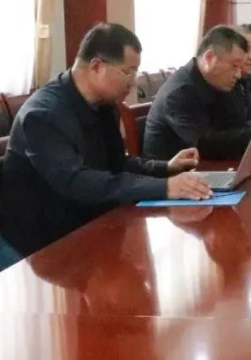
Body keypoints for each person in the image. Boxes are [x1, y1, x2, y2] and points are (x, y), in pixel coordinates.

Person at [0, 23, 211, 257]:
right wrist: (164, 187)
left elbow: (116, 164)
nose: (133, 82)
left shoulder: (104, 105)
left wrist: (166, 169)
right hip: (39, 242)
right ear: (97, 66)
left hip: (87, 222)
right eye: (128, 72)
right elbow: (75, 181)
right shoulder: (43, 115)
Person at [143, 25, 251, 161]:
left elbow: (236, 125)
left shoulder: (216, 82)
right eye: (234, 66)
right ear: (210, 58)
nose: (238, 74)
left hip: (212, 167)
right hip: (176, 177)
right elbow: (204, 144)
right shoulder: (180, 92)